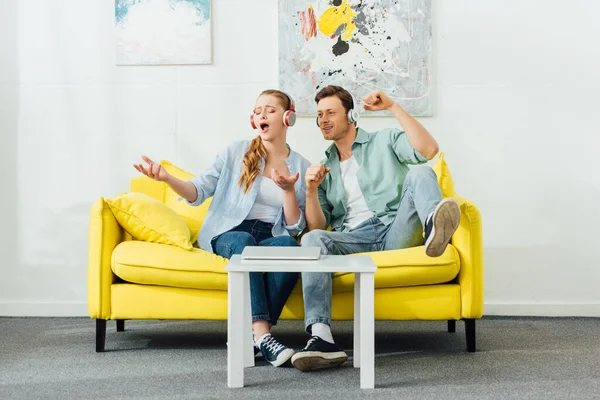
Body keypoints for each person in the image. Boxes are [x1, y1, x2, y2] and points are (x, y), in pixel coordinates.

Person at [134, 90, 311, 368]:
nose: (262, 114)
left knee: (289, 247)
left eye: (270, 110)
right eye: (257, 110)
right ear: (253, 120)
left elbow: (293, 226)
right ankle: (264, 335)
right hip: (230, 232)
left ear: (288, 117)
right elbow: (197, 191)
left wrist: (288, 190)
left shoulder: (301, 165)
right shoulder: (234, 153)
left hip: (270, 234)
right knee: (243, 240)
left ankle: (252, 338)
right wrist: (167, 179)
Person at [290, 85, 461, 372]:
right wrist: (310, 191)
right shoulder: (324, 166)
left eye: (331, 112)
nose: (323, 120)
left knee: (420, 171)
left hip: (394, 229)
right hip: (353, 238)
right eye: (319, 115)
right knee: (312, 239)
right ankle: (321, 338)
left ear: (351, 115)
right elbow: (317, 227)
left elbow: (429, 150)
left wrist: (393, 106)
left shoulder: (384, 141)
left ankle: (434, 224)